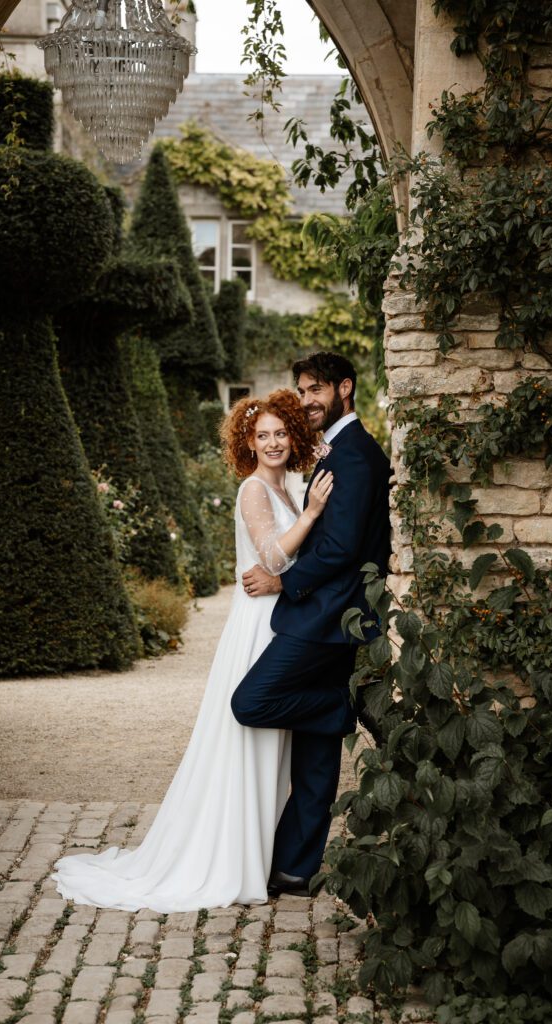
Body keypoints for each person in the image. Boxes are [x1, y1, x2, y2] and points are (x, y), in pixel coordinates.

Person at [51, 389, 332, 910]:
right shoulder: (254, 490)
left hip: (278, 619)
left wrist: (306, 505)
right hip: (255, 627)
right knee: (247, 740)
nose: (272, 443)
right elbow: (271, 554)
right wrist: (313, 515)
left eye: (280, 433)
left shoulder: (287, 491)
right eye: (262, 435)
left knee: (271, 747)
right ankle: (229, 859)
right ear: (248, 443)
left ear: (293, 436)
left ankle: (257, 854)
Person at [231, 351, 391, 898]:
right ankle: (296, 869)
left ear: (345, 388)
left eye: (315, 390)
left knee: (251, 701)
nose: (307, 401)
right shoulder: (339, 451)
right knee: (317, 759)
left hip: (323, 612)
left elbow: (343, 546)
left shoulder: (354, 456)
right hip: (331, 613)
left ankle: (336, 708)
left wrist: (284, 583)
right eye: (301, 391)